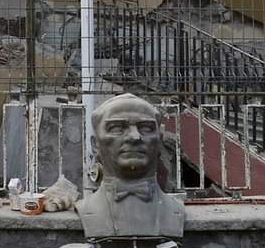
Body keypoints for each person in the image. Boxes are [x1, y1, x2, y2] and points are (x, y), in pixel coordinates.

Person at [75, 93, 185, 240]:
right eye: (116, 128)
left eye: (146, 128)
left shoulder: (176, 210)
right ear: (95, 145)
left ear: (159, 141)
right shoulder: (87, 209)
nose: (134, 137)